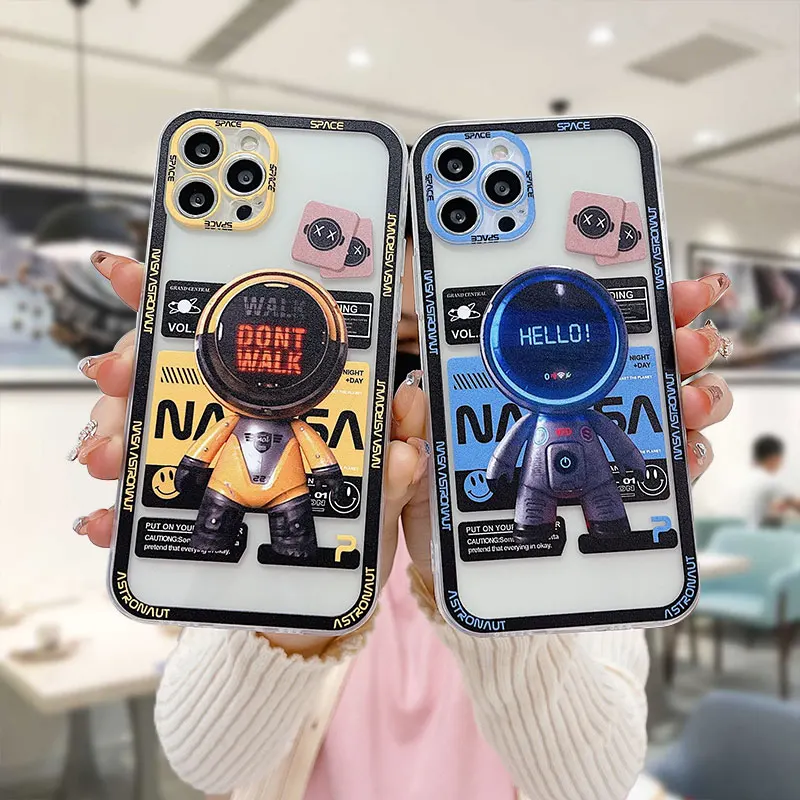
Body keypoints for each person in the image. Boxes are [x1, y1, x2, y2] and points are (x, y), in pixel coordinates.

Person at [71, 225, 734, 800]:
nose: (407, 388)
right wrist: (296, 614)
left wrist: (486, 593)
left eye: (435, 348)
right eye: (383, 348)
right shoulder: (277, 538)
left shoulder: (568, 554)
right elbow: (207, 763)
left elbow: (591, 784)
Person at [746, 435, 800, 527]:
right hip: (752, 533)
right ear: (775, 457)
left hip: (727, 533)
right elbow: (797, 505)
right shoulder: (769, 480)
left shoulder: (746, 476)